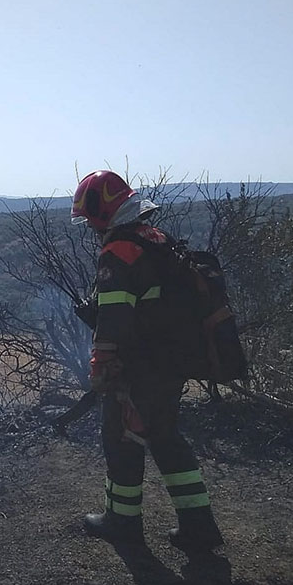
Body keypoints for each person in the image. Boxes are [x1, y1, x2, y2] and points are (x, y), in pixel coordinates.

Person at [71, 170, 224, 552]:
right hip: (170, 364)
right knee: (167, 438)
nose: (90, 227)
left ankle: (121, 522)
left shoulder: (117, 253)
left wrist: (100, 367)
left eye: (91, 219)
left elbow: (115, 322)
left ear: (104, 212)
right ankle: (199, 525)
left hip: (137, 370)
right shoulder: (157, 240)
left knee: (121, 440)